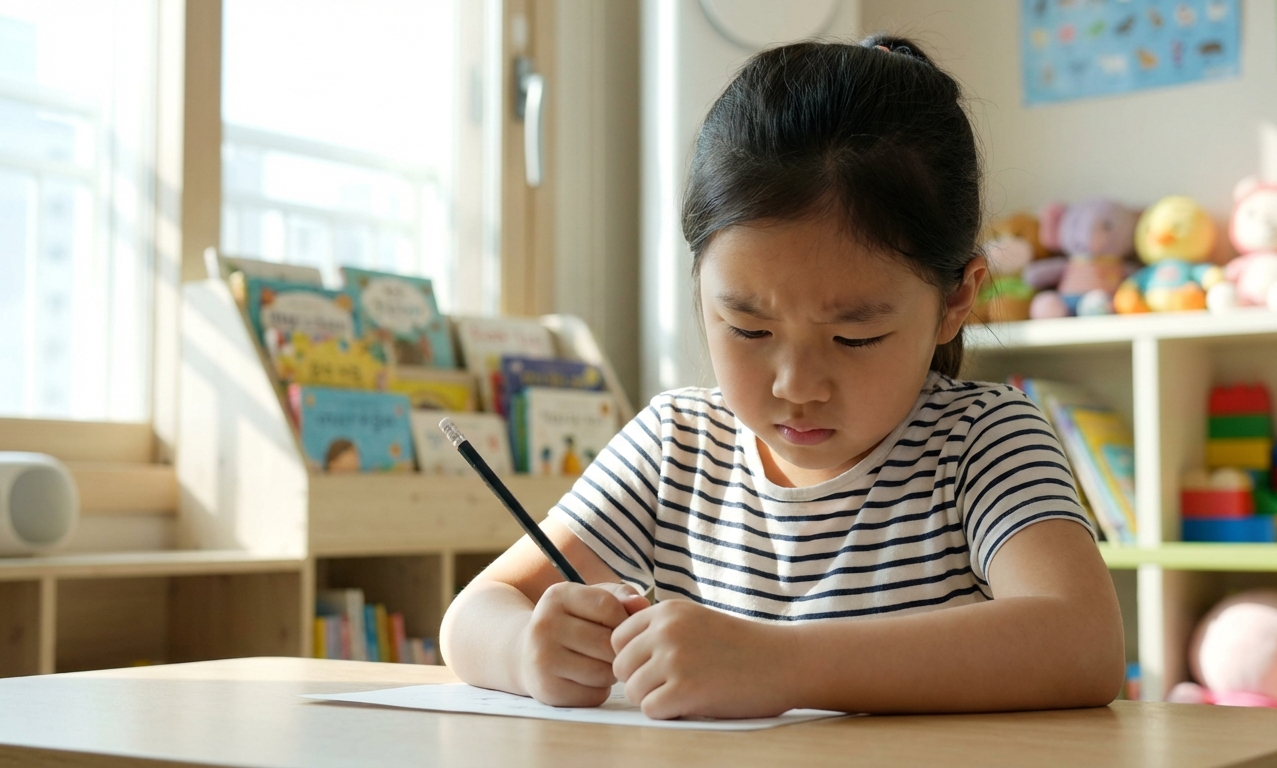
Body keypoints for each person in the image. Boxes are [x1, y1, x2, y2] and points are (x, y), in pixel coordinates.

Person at [440, 35, 1124, 719]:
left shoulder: (983, 440)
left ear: (956, 299)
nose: (797, 385)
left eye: (855, 337)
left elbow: (1082, 643)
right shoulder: (677, 444)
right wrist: (530, 648)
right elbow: (474, 613)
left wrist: (782, 664)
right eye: (748, 329)